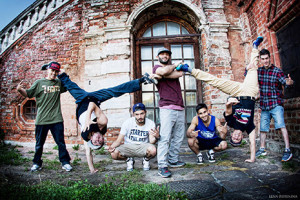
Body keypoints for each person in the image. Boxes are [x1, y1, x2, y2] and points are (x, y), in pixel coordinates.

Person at [177, 36, 264, 162]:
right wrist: (252, 158)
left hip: (237, 92)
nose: (236, 136)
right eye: (238, 138)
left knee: (215, 81)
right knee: (253, 67)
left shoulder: (231, 123)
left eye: (234, 137)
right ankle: (255, 47)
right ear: (241, 137)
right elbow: (252, 142)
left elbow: (228, 110)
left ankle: (188, 69)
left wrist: (229, 103)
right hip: (250, 92)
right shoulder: (249, 127)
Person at [57, 71, 156, 173]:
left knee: (71, 87)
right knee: (115, 91)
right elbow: (92, 104)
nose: (98, 140)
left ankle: (61, 74)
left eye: (95, 141)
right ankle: (142, 80)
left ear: (90, 138)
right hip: (95, 98)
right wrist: (88, 119)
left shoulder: (85, 133)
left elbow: (88, 152)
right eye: (100, 142)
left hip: (81, 99)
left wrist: (91, 169)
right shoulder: (102, 124)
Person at [17, 62, 72, 172]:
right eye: (52, 70)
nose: (54, 73)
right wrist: (19, 89)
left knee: (61, 143)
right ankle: (37, 163)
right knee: (39, 144)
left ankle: (65, 162)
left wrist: (64, 75)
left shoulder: (58, 82)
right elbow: (28, 94)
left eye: (56, 71)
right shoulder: (39, 83)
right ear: (47, 70)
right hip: (42, 119)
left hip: (56, 118)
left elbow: (68, 86)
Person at [255, 49, 294, 162]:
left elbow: (285, 82)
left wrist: (289, 82)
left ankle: (288, 150)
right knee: (263, 128)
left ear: (270, 58)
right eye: (263, 59)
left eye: (267, 58)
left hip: (276, 103)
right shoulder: (259, 71)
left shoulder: (277, 71)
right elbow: (248, 75)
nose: (265, 61)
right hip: (265, 105)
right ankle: (262, 149)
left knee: (281, 126)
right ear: (260, 60)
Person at [152, 47, 186, 178]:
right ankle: (162, 165)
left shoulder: (166, 70)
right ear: (158, 56)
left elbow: (179, 74)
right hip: (166, 107)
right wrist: (174, 66)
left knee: (178, 136)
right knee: (165, 138)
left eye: (167, 54)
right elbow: (165, 71)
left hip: (179, 106)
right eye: (162, 54)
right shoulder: (156, 68)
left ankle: (172, 160)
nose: (165, 56)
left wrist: (162, 75)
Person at [107, 103, 159, 171]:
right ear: (133, 114)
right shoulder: (127, 123)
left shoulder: (150, 123)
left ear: (145, 113)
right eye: (137, 114)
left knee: (153, 150)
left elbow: (152, 141)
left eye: (142, 113)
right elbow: (118, 140)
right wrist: (111, 147)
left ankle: (146, 160)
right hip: (129, 146)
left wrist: (157, 137)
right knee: (114, 154)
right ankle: (129, 160)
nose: (139, 116)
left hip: (143, 146)